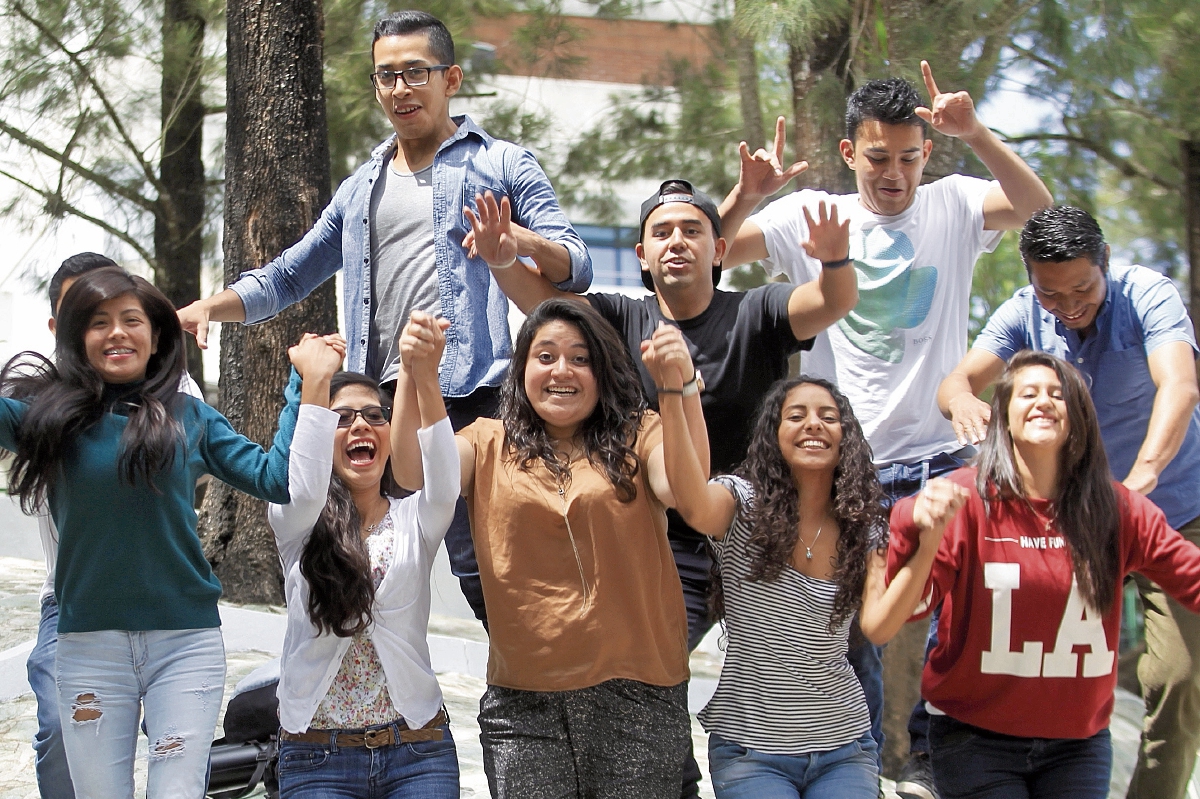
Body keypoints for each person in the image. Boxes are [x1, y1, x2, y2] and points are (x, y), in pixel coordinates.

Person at [175, 9, 591, 626]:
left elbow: (575, 265)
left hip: (473, 398)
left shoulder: (501, 165)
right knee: (364, 564)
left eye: (415, 73)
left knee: (491, 566)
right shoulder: (361, 187)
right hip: (380, 405)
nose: (400, 89)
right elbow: (289, 275)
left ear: (450, 78)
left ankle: (533, 681)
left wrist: (519, 244)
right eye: (386, 76)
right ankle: (365, 705)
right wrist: (213, 305)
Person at [717, 65, 1054, 793]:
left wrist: (979, 134)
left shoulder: (955, 204)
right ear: (849, 153)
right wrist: (748, 194)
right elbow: (702, 253)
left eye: (908, 157)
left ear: (927, 153)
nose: (894, 173)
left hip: (939, 454)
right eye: (878, 158)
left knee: (958, 613)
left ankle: (932, 756)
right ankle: (858, 759)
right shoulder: (810, 214)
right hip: (846, 463)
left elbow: (1037, 207)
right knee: (848, 627)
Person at [467, 178, 856, 793]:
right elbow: (545, 306)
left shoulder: (756, 309)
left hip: (758, 537)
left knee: (806, 663)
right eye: (662, 232)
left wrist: (834, 258)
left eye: (693, 230)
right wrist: (501, 257)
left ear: (721, 248)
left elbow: (831, 302)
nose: (678, 241)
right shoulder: (624, 317)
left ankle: (846, 760)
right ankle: (677, 777)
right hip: (667, 539)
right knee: (655, 673)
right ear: (643, 256)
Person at [0, 266, 319, 799]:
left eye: (132, 320)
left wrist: (300, 385)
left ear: (155, 337)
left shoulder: (190, 416)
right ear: (76, 338)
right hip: (88, 647)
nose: (118, 332)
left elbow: (276, 478)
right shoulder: (46, 420)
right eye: (99, 322)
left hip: (185, 645)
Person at [937, 206, 1200, 799]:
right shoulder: (1022, 313)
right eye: (1050, 292)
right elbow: (955, 384)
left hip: (1173, 512)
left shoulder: (1148, 295)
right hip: (1068, 526)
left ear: (1105, 262)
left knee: (1178, 677)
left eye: (1082, 288)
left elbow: (1179, 385)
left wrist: (1140, 483)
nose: (1068, 304)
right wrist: (964, 406)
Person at [393, 299, 706, 797]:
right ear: (521, 371)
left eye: (581, 358)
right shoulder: (487, 441)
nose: (563, 370)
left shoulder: (639, 431)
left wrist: (678, 388)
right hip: (524, 703)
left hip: (639, 694)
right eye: (546, 356)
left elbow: (685, 490)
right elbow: (415, 473)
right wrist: (418, 376)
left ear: (602, 371)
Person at [890, 351, 1200, 799]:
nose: (1044, 402)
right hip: (974, 738)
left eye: (1058, 394)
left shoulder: (1119, 510)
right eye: (1029, 393)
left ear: (1079, 418)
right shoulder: (963, 498)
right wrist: (908, 525)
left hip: (1078, 746)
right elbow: (910, 607)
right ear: (1004, 416)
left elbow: (1190, 577)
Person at [655, 370, 965, 798]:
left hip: (844, 747)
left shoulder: (864, 527)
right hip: (752, 751)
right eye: (796, 415)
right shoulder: (740, 504)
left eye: (827, 416)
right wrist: (674, 391)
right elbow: (690, 502)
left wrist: (929, 541)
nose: (813, 424)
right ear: (774, 435)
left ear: (846, 437)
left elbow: (880, 627)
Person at [268, 320, 460, 798]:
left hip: (418, 749)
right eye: (342, 417)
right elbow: (306, 482)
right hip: (317, 755)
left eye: (375, 416)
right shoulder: (295, 519)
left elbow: (445, 481)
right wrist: (314, 383)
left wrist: (426, 377)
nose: (360, 425)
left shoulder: (416, 518)